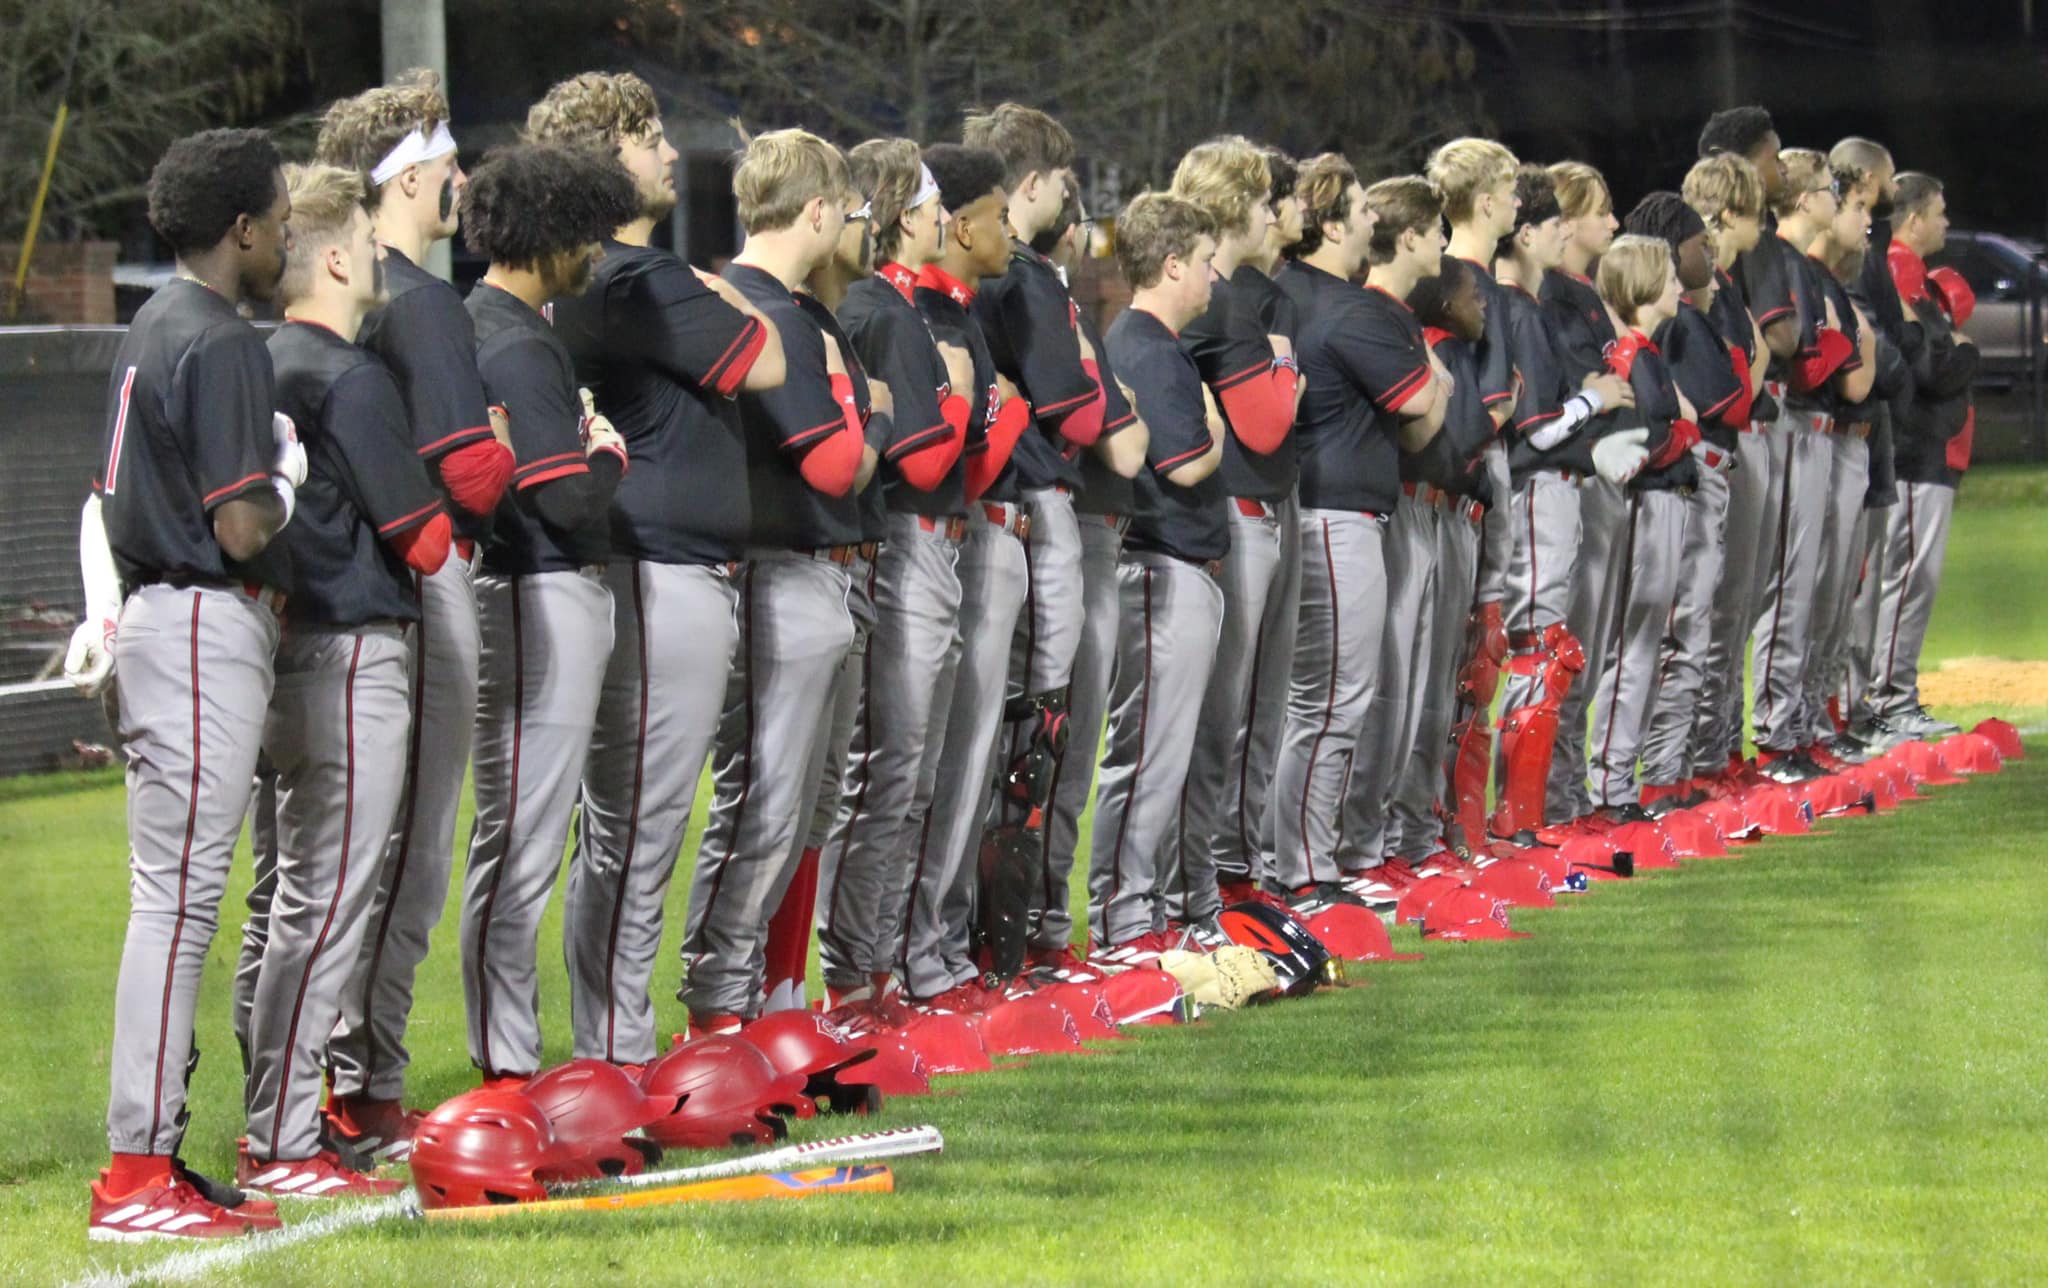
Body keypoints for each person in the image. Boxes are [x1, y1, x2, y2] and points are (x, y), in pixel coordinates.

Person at [533, 72, 783, 1068]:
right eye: (644, 138)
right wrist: (727, 293)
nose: (668, 154)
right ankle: (613, 1051)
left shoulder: (623, 276)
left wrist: (719, 294)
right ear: (604, 159)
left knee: (636, 827)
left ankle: (616, 1043)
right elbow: (765, 360)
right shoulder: (626, 275)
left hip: (676, 571)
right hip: (653, 572)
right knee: (634, 828)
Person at [88, 127, 298, 1243]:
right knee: (177, 904)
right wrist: (285, 487)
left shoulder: (154, 321)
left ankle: (150, 1156)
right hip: (198, 617)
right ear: (243, 228)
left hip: (160, 619)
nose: (288, 230)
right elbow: (239, 521)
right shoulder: (218, 337)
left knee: (171, 899)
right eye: (278, 212)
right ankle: (135, 1173)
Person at [311, 71, 514, 1160]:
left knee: (325, 861)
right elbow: (471, 477)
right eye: (445, 164)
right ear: (402, 177)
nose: (461, 181)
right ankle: (362, 1085)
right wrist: (512, 442)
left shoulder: (329, 290)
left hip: (326, 598)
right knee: (409, 851)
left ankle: (314, 1085)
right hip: (415, 584)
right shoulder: (418, 298)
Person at [236, 164, 450, 1198]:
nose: (376, 251)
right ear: (331, 255)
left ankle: (267, 1116)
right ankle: (281, 1137)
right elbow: (426, 536)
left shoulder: (260, 358)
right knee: (326, 901)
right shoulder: (347, 372)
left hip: (278, 648)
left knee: (283, 895)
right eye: (365, 237)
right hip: (351, 649)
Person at [678, 129, 873, 1033]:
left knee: (804, 803)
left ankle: (773, 992)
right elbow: (840, 462)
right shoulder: (770, 311)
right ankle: (722, 1003)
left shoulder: (785, 306)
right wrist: (863, 415)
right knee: (763, 799)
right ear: (820, 210)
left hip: (810, 573)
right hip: (780, 573)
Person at [458, 142, 639, 1082]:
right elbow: (566, 498)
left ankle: (513, 1056)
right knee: (523, 840)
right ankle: (506, 1064)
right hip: (535, 590)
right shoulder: (518, 338)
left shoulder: (495, 323)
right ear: (550, 234)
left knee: (525, 834)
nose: (596, 252)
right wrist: (608, 453)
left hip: (536, 594)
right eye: (586, 233)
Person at [962, 105, 1116, 975]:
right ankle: (1014, 945)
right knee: (1034, 734)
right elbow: (1086, 412)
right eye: (1061, 183)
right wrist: (1091, 361)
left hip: (1007, 509)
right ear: (1031, 186)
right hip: (1033, 507)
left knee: (1006, 735)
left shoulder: (986, 277)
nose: (1068, 199)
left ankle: (1002, 941)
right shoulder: (1025, 277)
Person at [1269, 171, 1449, 900]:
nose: (1374, 217)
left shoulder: (1284, 293)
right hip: (1337, 517)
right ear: (1335, 227)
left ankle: (1294, 861)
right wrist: (1434, 373)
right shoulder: (1348, 309)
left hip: (1301, 511)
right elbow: (1422, 416)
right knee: (1333, 703)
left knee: (1309, 704)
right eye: (1362, 209)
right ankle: (1307, 870)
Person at [1339, 138, 1515, 874]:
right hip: (1403, 509)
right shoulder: (1376, 315)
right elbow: (1439, 435)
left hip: (1435, 513)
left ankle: (1406, 839)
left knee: (1424, 691)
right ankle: (1364, 845)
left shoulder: (1400, 319)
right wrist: (1468, 412)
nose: (1445, 245)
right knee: (1388, 690)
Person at [898, 143, 1034, 1008]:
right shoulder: (918, 314)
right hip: (938, 539)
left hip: (964, 541)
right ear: (958, 221)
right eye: (997, 213)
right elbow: (966, 462)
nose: (1010, 231)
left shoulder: (961, 311)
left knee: (968, 759)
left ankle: (937, 949)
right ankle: (913, 956)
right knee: (925, 768)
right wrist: (1008, 410)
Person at [1162, 137, 1296, 942]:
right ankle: (1203, 885)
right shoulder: (1226, 302)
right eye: (1260, 200)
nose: (1270, 214)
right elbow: (1269, 420)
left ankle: (1227, 876)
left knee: (1248, 713)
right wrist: (1285, 372)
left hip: (1247, 513)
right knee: (1225, 719)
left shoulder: (1237, 297)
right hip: (1234, 518)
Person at [1089, 192, 1228, 963]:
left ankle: (1145, 912)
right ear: (1172, 264)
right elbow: (1179, 462)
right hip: (1161, 565)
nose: (1213, 274)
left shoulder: (1151, 340)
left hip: (1176, 568)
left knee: (1162, 754)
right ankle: (1123, 920)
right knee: (1145, 754)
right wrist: (1216, 425)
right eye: (1203, 260)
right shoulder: (1144, 342)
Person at [1487, 165, 1636, 839]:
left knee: (1543, 650)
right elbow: (1537, 426)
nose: (1565, 233)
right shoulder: (1519, 306)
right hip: (1533, 486)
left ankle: (1530, 813)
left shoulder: (1529, 302)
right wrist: (1593, 400)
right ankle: (1517, 819)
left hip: (1545, 489)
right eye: (1553, 225)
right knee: (1535, 649)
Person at [1029, 180, 1147, 979]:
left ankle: (1037, 928)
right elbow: (1123, 441)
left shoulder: (1063, 303)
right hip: (1061, 530)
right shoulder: (1030, 295)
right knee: (1044, 745)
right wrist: (1119, 404)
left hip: (1078, 531)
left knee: (1064, 746)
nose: (1084, 240)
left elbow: (1122, 427)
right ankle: (1019, 935)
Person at [1638, 175, 1762, 807]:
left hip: (1699, 475)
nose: (1706, 252)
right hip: (1690, 479)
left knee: (1690, 631)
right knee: (1683, 632)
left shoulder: (1687, 314)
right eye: (1695, 243)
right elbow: (1735, 399)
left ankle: (1674, 773)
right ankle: (1661, 776)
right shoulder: (1682, 321)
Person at [1748, 148, 1868, 784]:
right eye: (1826, 187)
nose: (1833, 195)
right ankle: (1775, 734)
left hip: (1819, 434)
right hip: (1795, 428)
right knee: (1791, 585)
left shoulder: (1810, 269)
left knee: (1812, 584)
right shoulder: (1782, 261)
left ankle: (1794, 725)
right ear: (1801, 201)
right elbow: (1803, 361)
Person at [1582, 234, 1700, 816]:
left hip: (1663, 504)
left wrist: (1679, 433)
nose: (1679, 286)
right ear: (1646, 285)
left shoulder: (1645, 351)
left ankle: (1617, 781)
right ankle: (1610, 785)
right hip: (1643, 507)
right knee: (1632, 646)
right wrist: (1682, 435)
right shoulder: (1627, 354)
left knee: (1642, 647)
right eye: (1670, 276)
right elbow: (1640, 440)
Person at [1393, 254, 1502, 869]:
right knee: (1410, 692)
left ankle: (1421, 831)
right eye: (1471, 294)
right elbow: (1453, 447)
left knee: (1437, 688)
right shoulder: (1436, 350)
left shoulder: (1448, 350)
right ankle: (1398, 838)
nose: (1481, 304)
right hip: (1423, 512)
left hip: (1440, 516)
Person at [1862, 173, 1977, 742]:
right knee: (1908, 578)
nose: (1946, 222)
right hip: (1916, 446)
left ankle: (1887, 696)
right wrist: (1966, 351)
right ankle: (1888, 700)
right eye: (1940, 211)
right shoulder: (1903, 266)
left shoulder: (1911, 268)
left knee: (1907, 577)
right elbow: (1931, 364)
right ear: (1912, 219)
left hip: (1924, 446)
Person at [1678, 153, 1773, 795]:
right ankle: (1698, 756)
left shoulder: (1728, 284)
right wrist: (1754, 365)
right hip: (1709, 451)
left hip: (1733, 448)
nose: (1761, 227)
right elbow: (1739, 384)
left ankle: (1717, 747)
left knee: (1731, 608)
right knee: (1710, 610)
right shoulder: (1699, 283)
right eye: (1754, 213)